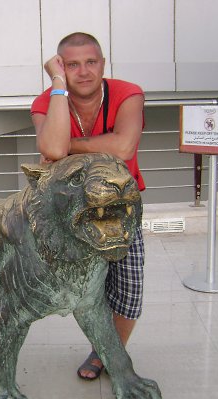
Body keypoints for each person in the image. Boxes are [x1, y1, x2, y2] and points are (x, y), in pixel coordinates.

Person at [31, 32, 146, 380]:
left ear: (103, 64)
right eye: (71, 65)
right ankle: (104, 348)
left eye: (91, 62)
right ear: (60, 67)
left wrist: (68, 145)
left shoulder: (127, 93)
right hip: (73, 213)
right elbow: (52, 149)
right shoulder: (47, 101)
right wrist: (57, 84)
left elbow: (124, 147)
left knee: (129, 288)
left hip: (120, 209)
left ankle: (107, 352)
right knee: (85, 288)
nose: (83, 71)